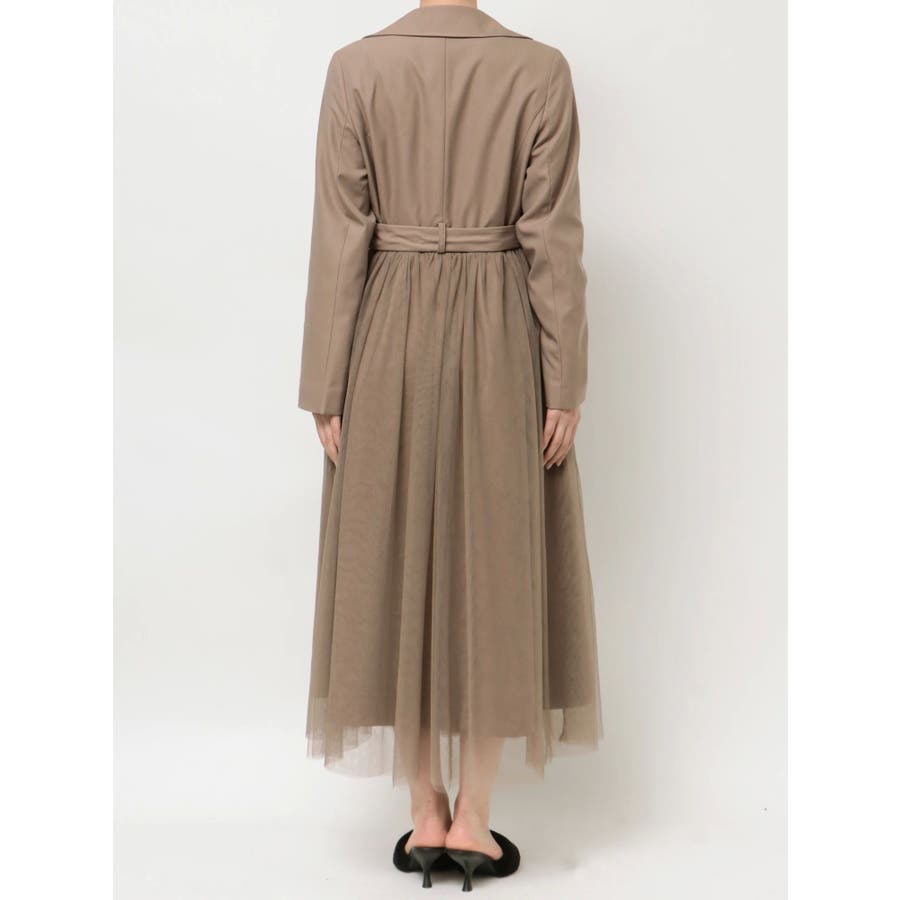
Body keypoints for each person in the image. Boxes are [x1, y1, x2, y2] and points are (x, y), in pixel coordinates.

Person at [298, 1, 603, 890]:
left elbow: (340, 237)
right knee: (495, 568)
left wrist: (325, 384)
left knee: (392, 562)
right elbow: (552, 239)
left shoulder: (356, 67)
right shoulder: (539, 69)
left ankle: (423, 812)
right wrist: (565, 378)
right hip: (500, 330)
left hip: (387, 333)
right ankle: (474, 820)